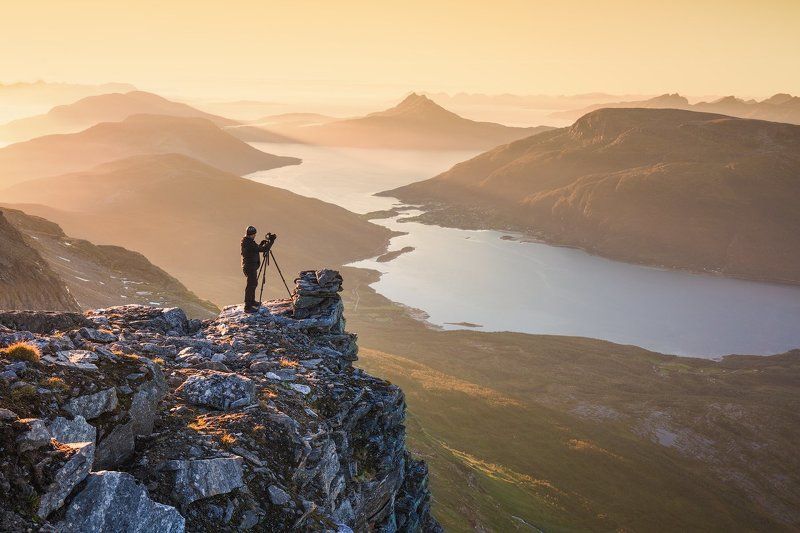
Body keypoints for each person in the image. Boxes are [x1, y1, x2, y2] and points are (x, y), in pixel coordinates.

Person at [241, 225, 276, 313]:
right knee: (251, 285)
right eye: (254, 234)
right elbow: (264, 249)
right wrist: (271, 241)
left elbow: (256, 249)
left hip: (249, 266)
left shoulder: (247, 241)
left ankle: (252, 301)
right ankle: (247, 307)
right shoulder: (249, 243)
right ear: (252, 234)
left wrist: (260, 244)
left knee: (253, 283)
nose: (255, 235)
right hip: (250, 266)